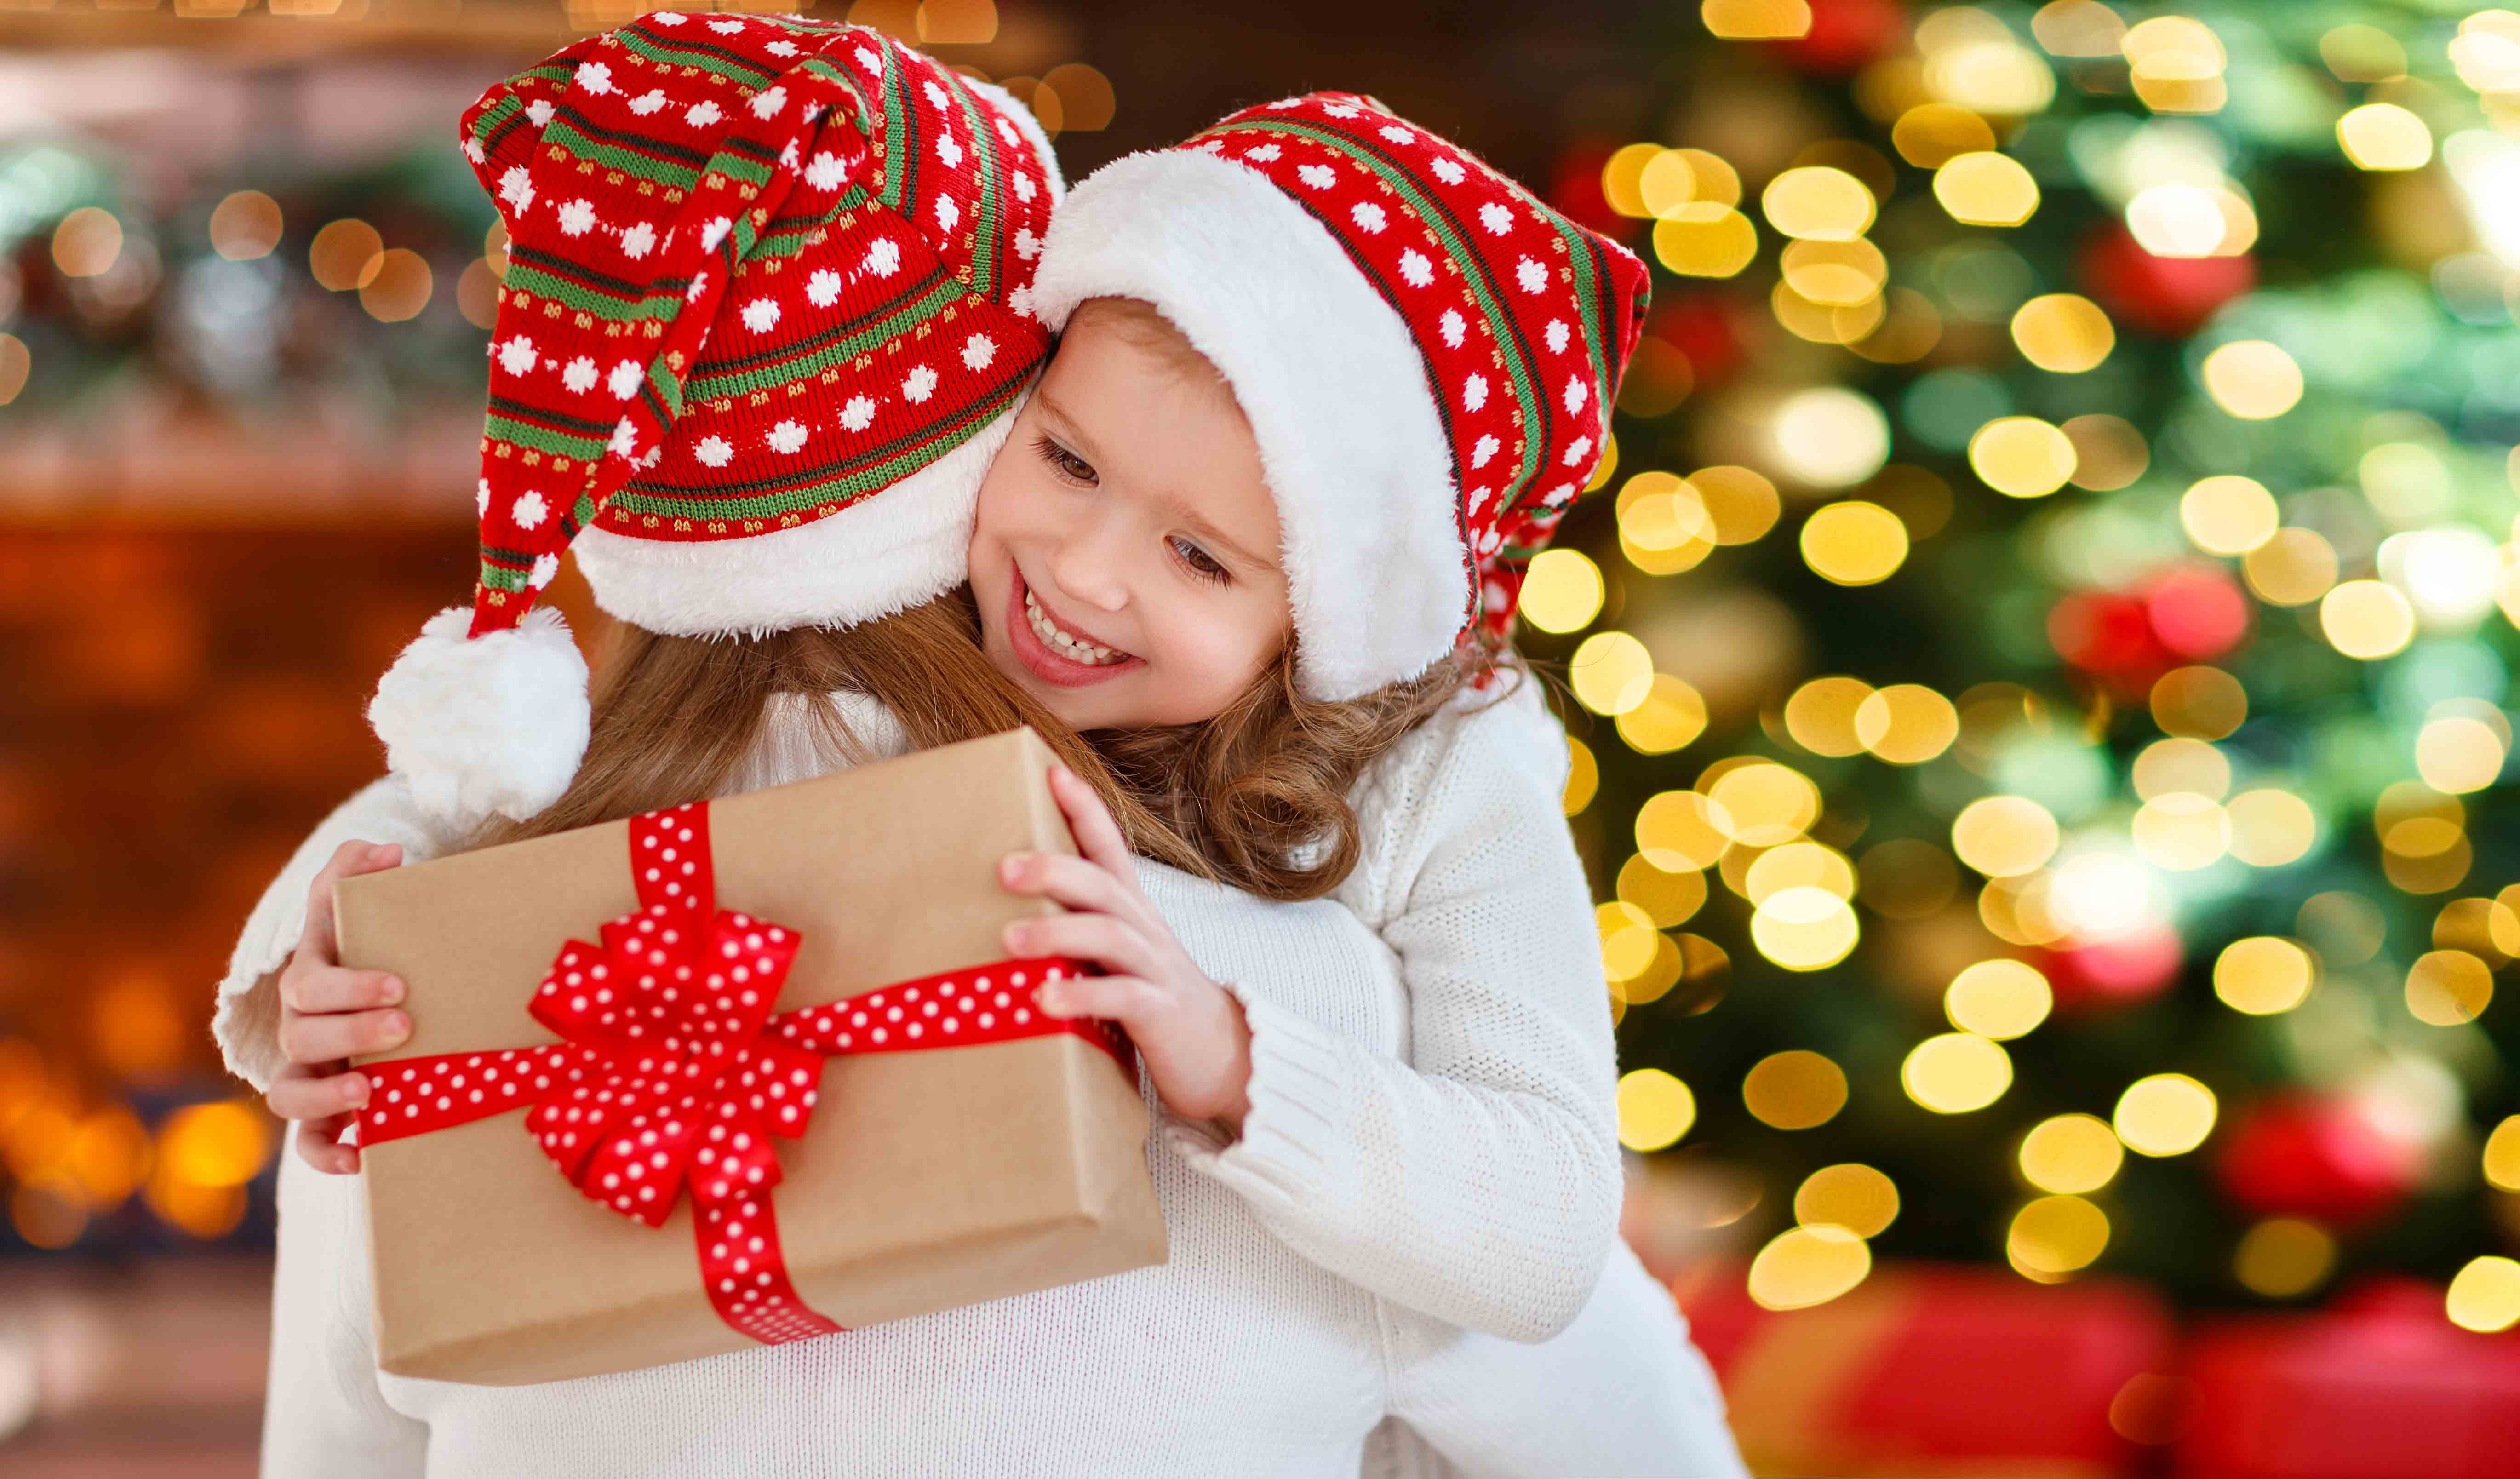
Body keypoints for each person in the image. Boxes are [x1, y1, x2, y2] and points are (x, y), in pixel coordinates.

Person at [220, 17, 1738, 1472]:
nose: (1084, 570)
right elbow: (463, 810)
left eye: (1201, 558)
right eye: (1066, 457)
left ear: (1332, 616)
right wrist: (311, 974)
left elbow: (1545, 1237)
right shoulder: (870, 653)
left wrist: (1233, 1061)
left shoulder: (1425, 789)